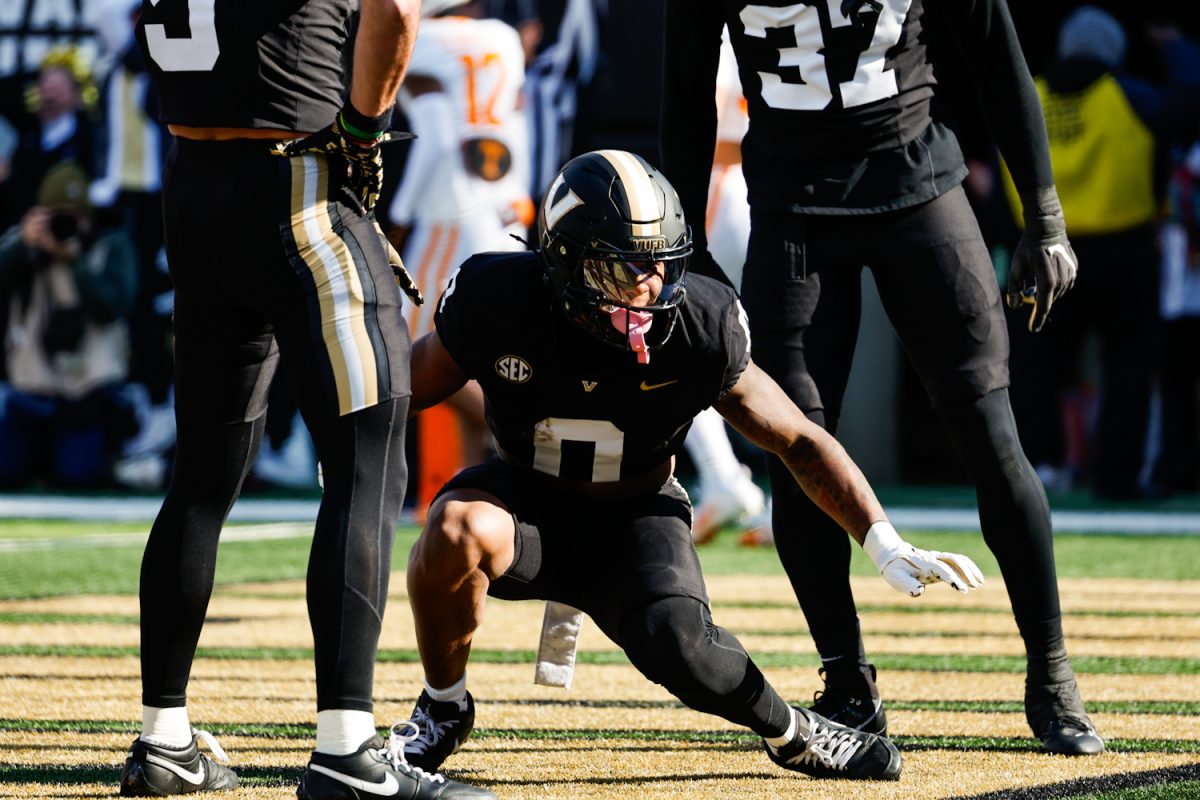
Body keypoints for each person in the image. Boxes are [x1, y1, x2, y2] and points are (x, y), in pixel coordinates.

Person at [398, 150, 984, 783]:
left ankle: (793, 732)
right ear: (569, 260)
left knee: (681, 644)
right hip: (523, 504)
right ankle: (444, 707)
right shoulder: (498, 297)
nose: (653, 281)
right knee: (453, 529)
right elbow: (405, 384)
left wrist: (881, 537)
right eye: (628, 264)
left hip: (634, 514)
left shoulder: (699, 325)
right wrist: (350, 448)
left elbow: (797, 440)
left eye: (661, 259)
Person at [661, 0, 1103, 756]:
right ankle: (846, 679)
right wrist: (683, 241)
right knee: (791, 444)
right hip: (793, 207)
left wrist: (1046, 215)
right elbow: (685, 86)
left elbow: (998, 53)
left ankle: (1052, 674)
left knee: (992, 437)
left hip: (917, 186)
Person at [120, 1, 493, 798]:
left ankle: (163, 739)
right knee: (366, 460)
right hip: (298, 185)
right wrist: (361, 134)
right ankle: (346, 751)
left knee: (202, 476)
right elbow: (393, 7)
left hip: (192, 185)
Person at [1003, 9, 1200, 499]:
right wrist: (1173, 44)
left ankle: (1034, 473)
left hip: (1042, 245)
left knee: (1033, 368)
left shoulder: (1032, 94)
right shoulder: (1129, 93)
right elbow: (1191, 102)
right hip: (1123, 247)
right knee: (1126, 369)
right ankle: (1117, 478)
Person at [387, 0, 532, 515]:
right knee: (469, 349)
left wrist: (399, 220)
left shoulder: (423, 38)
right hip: (505, 206)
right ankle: (467, 489)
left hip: (451, 210)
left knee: (400, 351)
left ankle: (525, 439)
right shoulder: (503, 38)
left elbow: (437, 137)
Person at [0, 160, 138, 487]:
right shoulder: (26, 249)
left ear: (88, 217)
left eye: (73, 215)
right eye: (55, 215)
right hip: (32, 389)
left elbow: (111, 306)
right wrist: (22, 244)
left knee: (77, 475)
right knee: (6, 471)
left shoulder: (110, 246)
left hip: (87, 393)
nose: (65, 224)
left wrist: (74, 262)